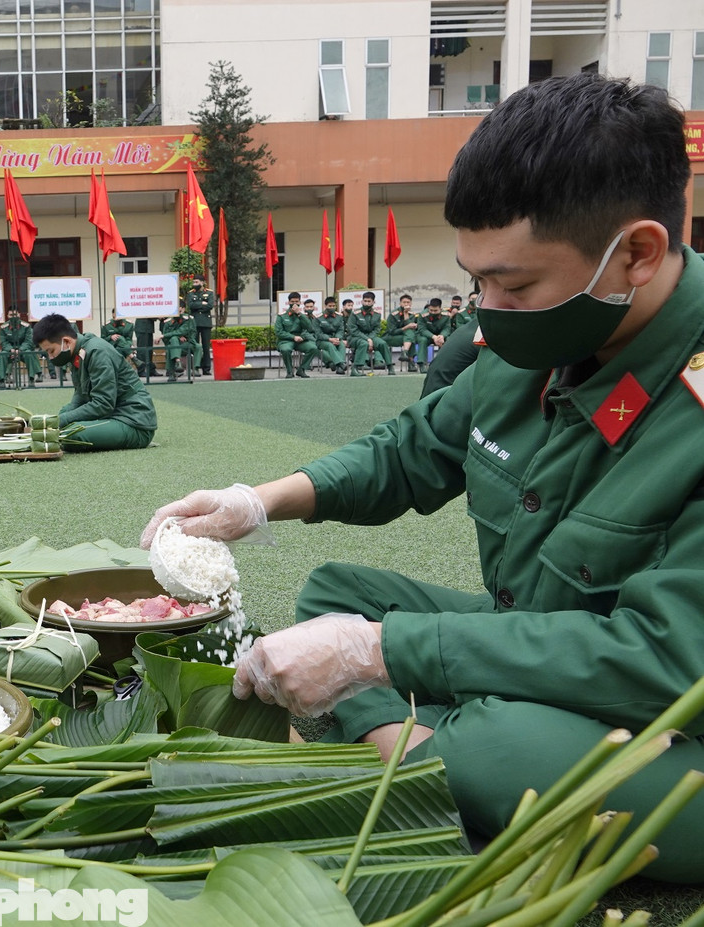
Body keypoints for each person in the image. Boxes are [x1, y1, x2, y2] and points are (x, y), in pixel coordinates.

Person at [141, 74, 704, 882]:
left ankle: (433, 756)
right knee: (337, 591)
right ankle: (424, 753)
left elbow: (661, 656)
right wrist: (255, 503)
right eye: (478, 280)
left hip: (669, 709)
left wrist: (379, 654)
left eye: (512, 284)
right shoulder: (530, 342)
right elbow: (413, 449)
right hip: (539, 639)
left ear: (638, 254)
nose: (485, 307)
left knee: (505, 748)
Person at [33, 313, 155, 452]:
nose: (50, 357)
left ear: (66, 342)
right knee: (62, 418)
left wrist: (62, 420)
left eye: (51, 351)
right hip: (114, 416)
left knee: (69, 435)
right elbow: (80, 396)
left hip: (134, 423)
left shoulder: (96, 351)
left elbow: (103, 404)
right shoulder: (78, 352)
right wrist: (58, 419)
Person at [347, 291, 393, 375]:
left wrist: (370, 338)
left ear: (373, 302)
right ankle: (355, 368)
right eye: (365, 301)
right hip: (355, 337)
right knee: (363, 343)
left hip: (371, 337)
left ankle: (390, 366)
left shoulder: (377, 314)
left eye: (369, 301)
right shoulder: (355, 313)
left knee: (382, 343)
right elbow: (353, 330)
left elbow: (377, 329)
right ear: (362, 301)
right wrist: (367, 339)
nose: (367, 303)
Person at [274, 298, 317, 379]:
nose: (294, 303)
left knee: (313, 348)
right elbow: (279, 332)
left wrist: (299, 314)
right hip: (286, 340)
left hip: (300, 341)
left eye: (296, 302)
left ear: (300, 302)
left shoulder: (302, 315)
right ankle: (290, 371)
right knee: (286, 349)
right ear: (289, 302)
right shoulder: (282, 316)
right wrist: (293, 337)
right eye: (292, 301)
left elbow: (309, 328)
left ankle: (301, 369)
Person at [0, 308, 40, 388]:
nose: (13, 317)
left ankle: (31, 379)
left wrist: (20, 350)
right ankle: (2, 380)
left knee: (29, 354)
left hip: (23, 350)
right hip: (9, 351)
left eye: (15, 315)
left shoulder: (26, 326)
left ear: (19, 315)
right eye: (11, 315)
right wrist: (11, 350)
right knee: (2, 355)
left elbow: (28, 341)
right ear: (7, 316)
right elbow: (3, 342)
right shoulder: (3, 327)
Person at [184, 277, 216, 375]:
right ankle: (195, 367)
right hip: (194, 323)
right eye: (194, 282)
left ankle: (206, 369)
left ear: (202, 283)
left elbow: (210, 305)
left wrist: (197, 305)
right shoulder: (190, 293)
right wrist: (202, 303)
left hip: (206, 323)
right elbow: (190, 305)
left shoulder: (209, 293)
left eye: (196, 282)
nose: (194, 283)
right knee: (195, 345)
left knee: (206, 347)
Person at [159, 312, 201, 382]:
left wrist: (183, 337)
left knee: (198, 346)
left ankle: (195, 369)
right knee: (172, 343)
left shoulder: (188, 320)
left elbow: (186, 332)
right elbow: (166, 338)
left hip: (186, 344)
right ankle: (174, 369)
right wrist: (178, 337)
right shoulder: (168, 322)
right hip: (174, 345)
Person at [415, 298, 453, 373]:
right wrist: (434, 337)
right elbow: (422, 329)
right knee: (422, 340)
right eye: (431, 310)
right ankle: (422, 363)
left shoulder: (446, 315)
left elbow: (447, 328)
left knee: (448, 340)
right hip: (427, 335)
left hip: (440, 336)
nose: (433, 312)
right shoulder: (422, 315)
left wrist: (442, 336)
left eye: (435, 311)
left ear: (440, 309)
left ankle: (444, 363)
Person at [384, 295, 420, 369]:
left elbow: (410, 328)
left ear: (411, 304)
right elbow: (392, 331)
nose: (406, 304)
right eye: (404, 302)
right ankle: (411, 361)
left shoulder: (412, 314)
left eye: (408, 302)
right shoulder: (394, 314)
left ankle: (405, 352)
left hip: (405, 338)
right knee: (410, 337)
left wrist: (406, 314)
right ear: (400, 303)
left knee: (410, 335)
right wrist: (406, 327)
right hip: (391, 337)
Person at [313, 298, 348, 375]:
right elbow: (318, 334)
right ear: (325, 306)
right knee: (330, 345)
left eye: (333, 306)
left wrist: (337, 338)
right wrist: (329, 339)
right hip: (322, 341)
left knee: (341, 344)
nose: (332, 307)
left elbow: (341, 330)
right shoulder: (318, 318)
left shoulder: (339, 316)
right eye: (330, 306)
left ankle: (339, 368)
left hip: (336, 338)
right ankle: (341, 363)